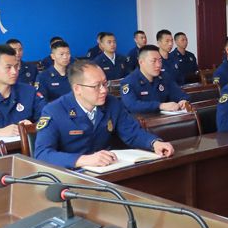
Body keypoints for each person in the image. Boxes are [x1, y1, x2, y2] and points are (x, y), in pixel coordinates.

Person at [34, 60, 174, 169]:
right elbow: (42, 154)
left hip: (108, 170)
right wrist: (84, 160)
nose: (104, 90)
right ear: (77, 89)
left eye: (105, 84)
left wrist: (154, 143)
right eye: (96, 86)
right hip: (72, 175)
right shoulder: (54, 111)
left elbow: (132, 132)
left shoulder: (112, 103)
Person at [120, 45, 190, 114]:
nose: (158, 65)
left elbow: (180, 94)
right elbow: (133, 105)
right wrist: (160, 106)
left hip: (165, 119)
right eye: (153, 61)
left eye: (160, 61)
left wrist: (183, 101)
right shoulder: (128, 82)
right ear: (141, 62)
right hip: (140, 120)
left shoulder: (164, 77)